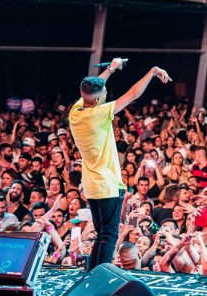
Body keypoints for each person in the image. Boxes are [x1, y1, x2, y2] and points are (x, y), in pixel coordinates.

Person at [68, 58, 171, 269]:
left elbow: (94, 86)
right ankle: (101, 277)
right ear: (98, 99)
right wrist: (152, 71)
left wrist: (111, 69)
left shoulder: (76, 112)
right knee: (109, 234)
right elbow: (132, 94)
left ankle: (92, 275)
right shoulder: (98, 114)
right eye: (104, 92)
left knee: (102, 234)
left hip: (92, 185)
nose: (106, 93)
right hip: (106, 184)